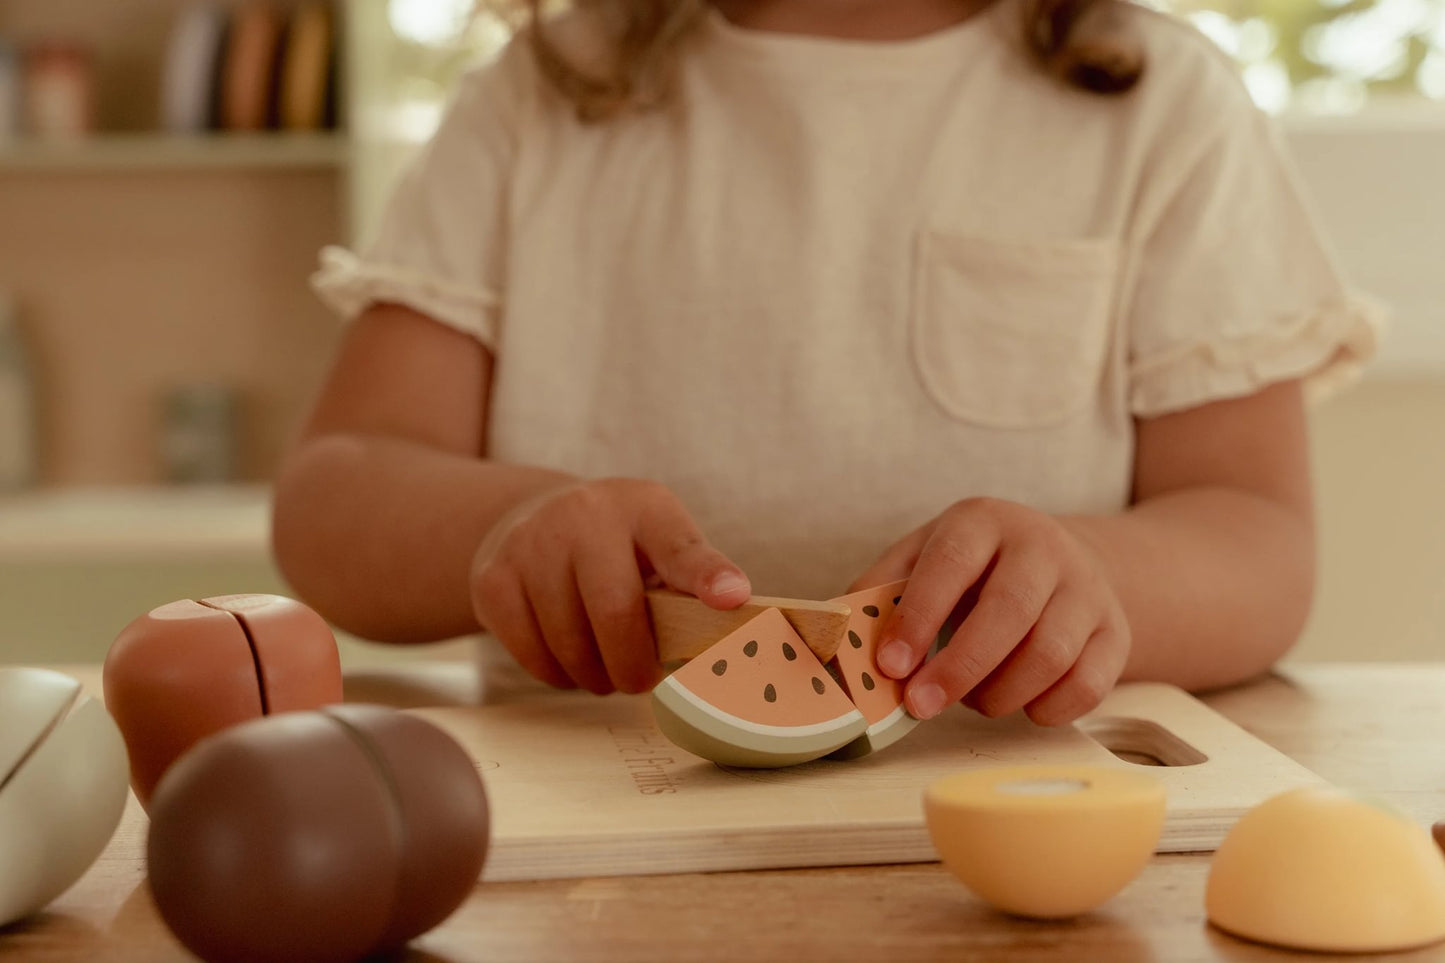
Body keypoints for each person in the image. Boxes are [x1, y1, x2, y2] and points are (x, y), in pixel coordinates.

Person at [272, 0, 1380, 727]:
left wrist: (1092, 582)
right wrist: (502, 527)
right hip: (582, 830)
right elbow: (336, 495)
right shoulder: (535, 97)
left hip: (1008, 806)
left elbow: (1254, 534)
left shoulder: (1159, 103)